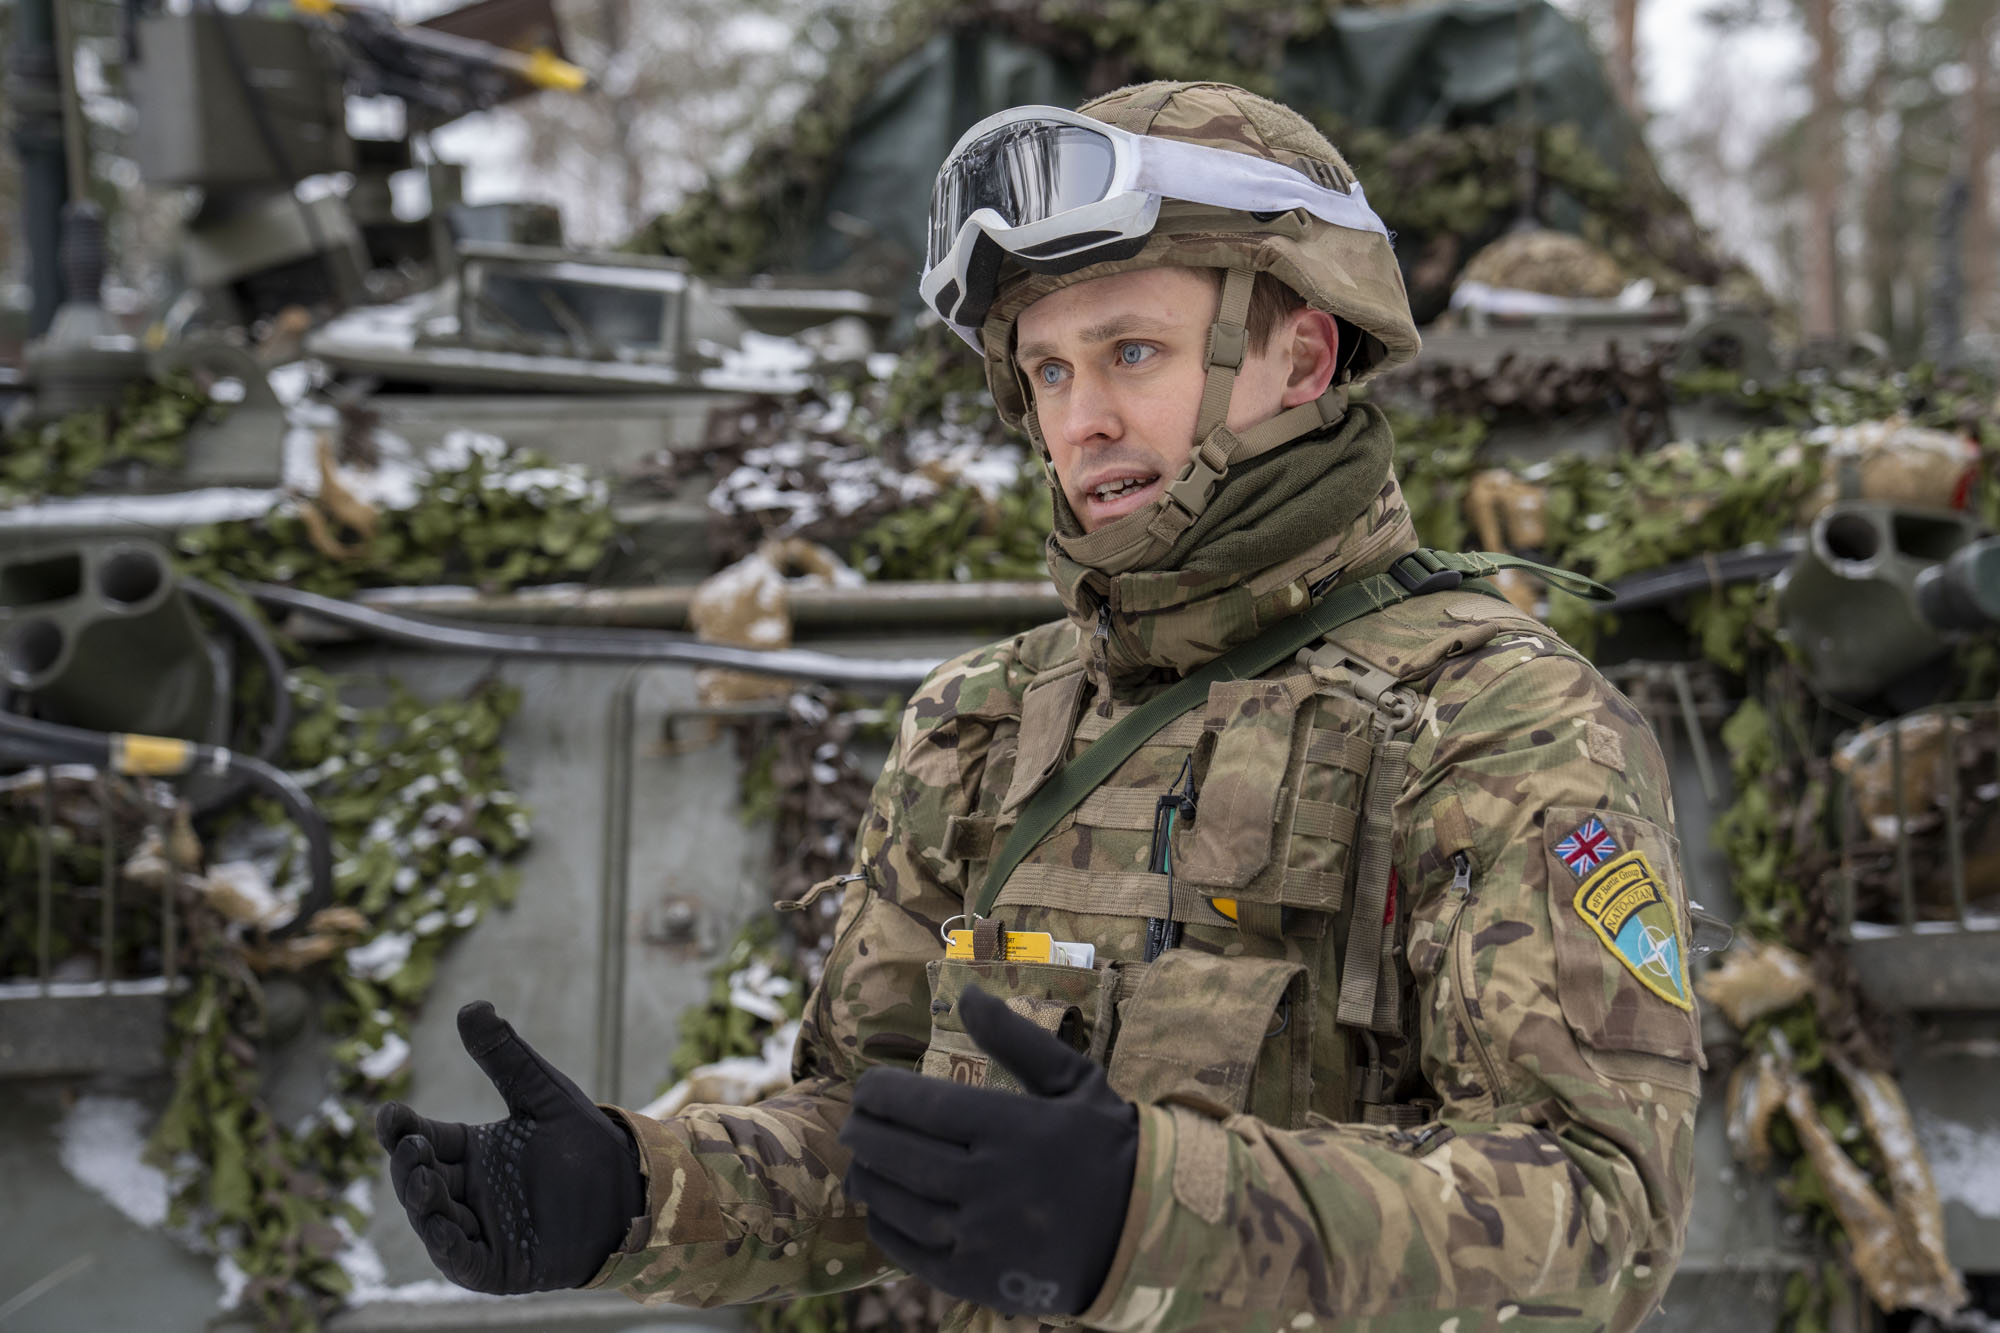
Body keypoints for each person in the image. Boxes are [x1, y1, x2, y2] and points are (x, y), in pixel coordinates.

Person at [377, 81, 1704, 1332]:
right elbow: (880, 1134)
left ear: (1300, 354)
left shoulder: (1489, 719)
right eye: (1051, 370)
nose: (1083, 420)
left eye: (1134, 350)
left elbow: (1603, 1216)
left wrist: (1148, 1208)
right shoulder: (985, 722)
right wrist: (633, 1187)